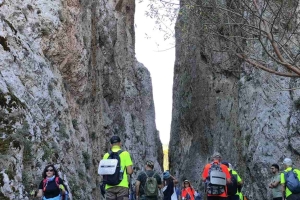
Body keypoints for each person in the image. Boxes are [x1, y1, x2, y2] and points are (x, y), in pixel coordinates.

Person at [103, 135, 133, 200]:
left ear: (111, 145)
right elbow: (129, 171)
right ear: (120, 143)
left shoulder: (106, 155)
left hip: (109, 186)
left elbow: (103, 172)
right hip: (122, 186)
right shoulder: (125, 154)